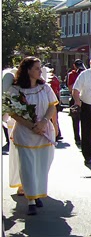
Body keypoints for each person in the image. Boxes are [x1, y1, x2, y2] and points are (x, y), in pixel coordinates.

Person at [7, 57, 59, 215]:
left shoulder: (44, 88)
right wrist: (30, 125)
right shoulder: (16, 90)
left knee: (41, 166)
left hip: (44, 132)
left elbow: (52, 106)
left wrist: (43, 122)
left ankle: (37, 193)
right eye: (36, 68)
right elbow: (13, 112)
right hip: (25, 133)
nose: (39, 70)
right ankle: (30, 199)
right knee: (28, 167)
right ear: (28, 70)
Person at [66, 59, 83, 146]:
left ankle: (85, 138)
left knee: (84, 120)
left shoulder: (84, 73)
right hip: (74, 98)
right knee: (75, 120)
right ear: (74, 66)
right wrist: (78, 80)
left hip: (83, 99)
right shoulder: (71, 74)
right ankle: (77, 138)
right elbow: (70, 87)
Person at [45, 67, 62, 141]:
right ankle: (55, 132)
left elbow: (58, 89)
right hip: (53, 97)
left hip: (53, 98)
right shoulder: (53, 79)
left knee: (54, 116)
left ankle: (56, 132)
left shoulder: (53, 79)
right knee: (53, 117)